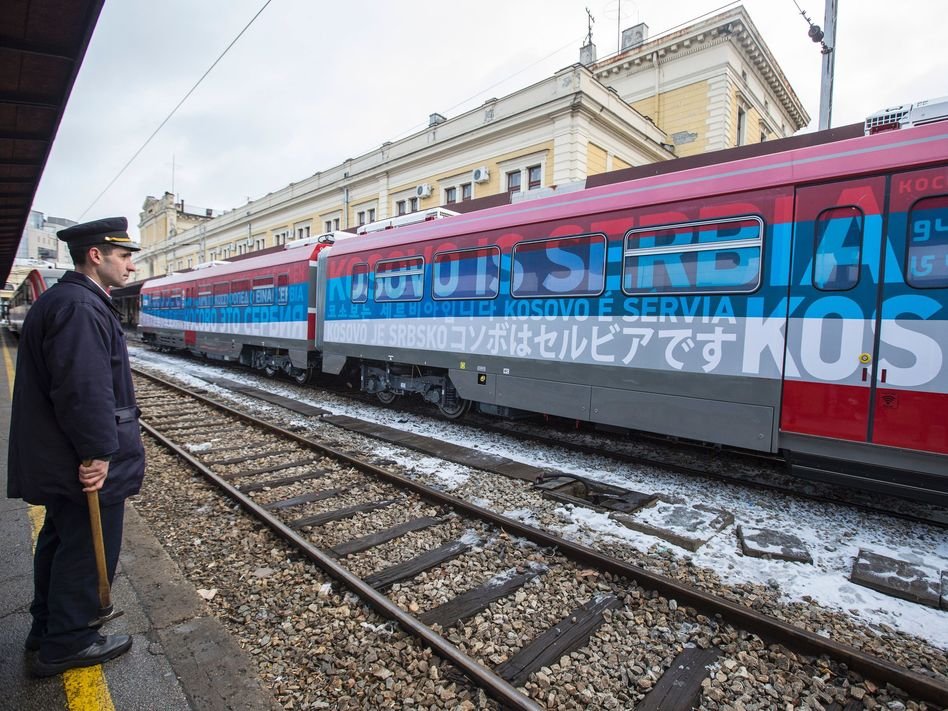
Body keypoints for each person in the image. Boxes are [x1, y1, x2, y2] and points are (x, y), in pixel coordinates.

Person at [7, 216, 146, 677]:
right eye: (123, 256)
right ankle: (68, 642)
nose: (130, 265)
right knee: (85, 547)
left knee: (60, 538)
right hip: (78, 459)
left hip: (58, 452)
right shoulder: (81, 307)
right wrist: (99, 453)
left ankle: (47, 628)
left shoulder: (66, 300)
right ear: (96, 255)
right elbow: (83, 389)